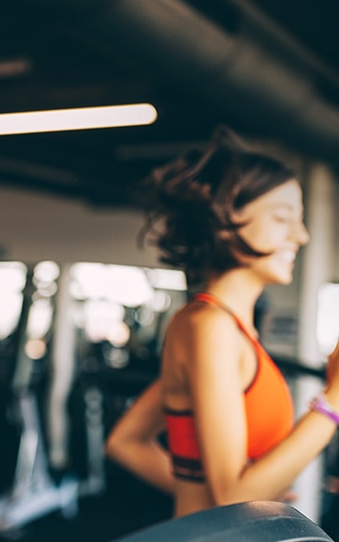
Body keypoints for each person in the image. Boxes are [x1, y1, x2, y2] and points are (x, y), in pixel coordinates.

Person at [105, 125, 339, 519]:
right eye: (283, 219)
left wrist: (247, 493)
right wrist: (333, 401)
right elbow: (231, 496)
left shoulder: (224, 328)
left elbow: (125, 442)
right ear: (228, 221)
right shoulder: (209, 327)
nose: (300, 235)